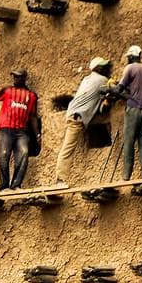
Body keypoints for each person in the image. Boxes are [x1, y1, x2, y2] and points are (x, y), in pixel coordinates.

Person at [54, 57, 112, 187]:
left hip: (75, 114)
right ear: (96, 68)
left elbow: (98, 104)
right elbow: (115, 89)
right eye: (102, 66)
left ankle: (60, 179)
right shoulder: (102, 80)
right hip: (77, 118)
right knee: (68, 148)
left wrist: (105, 103)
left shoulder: (87, 79)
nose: (105, 68)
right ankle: (60, 180)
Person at [111, 45, 142, 182]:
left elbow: (119, 89)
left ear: (130, 57)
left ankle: (126, 176)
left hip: (133, 109)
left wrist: (111, 88)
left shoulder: (130, 68)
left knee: (129, 142)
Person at [0, 69, 39, 191]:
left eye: (18, 77)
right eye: (14, 77)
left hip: (22, 131)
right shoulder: (7, 90)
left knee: (23, 154)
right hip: (5, 129)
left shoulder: (32, 96)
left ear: (24, 78)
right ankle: (4, 186)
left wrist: (37, 134)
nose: (16, 79)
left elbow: (33, 116)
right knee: (4, 155)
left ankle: (16, 185)